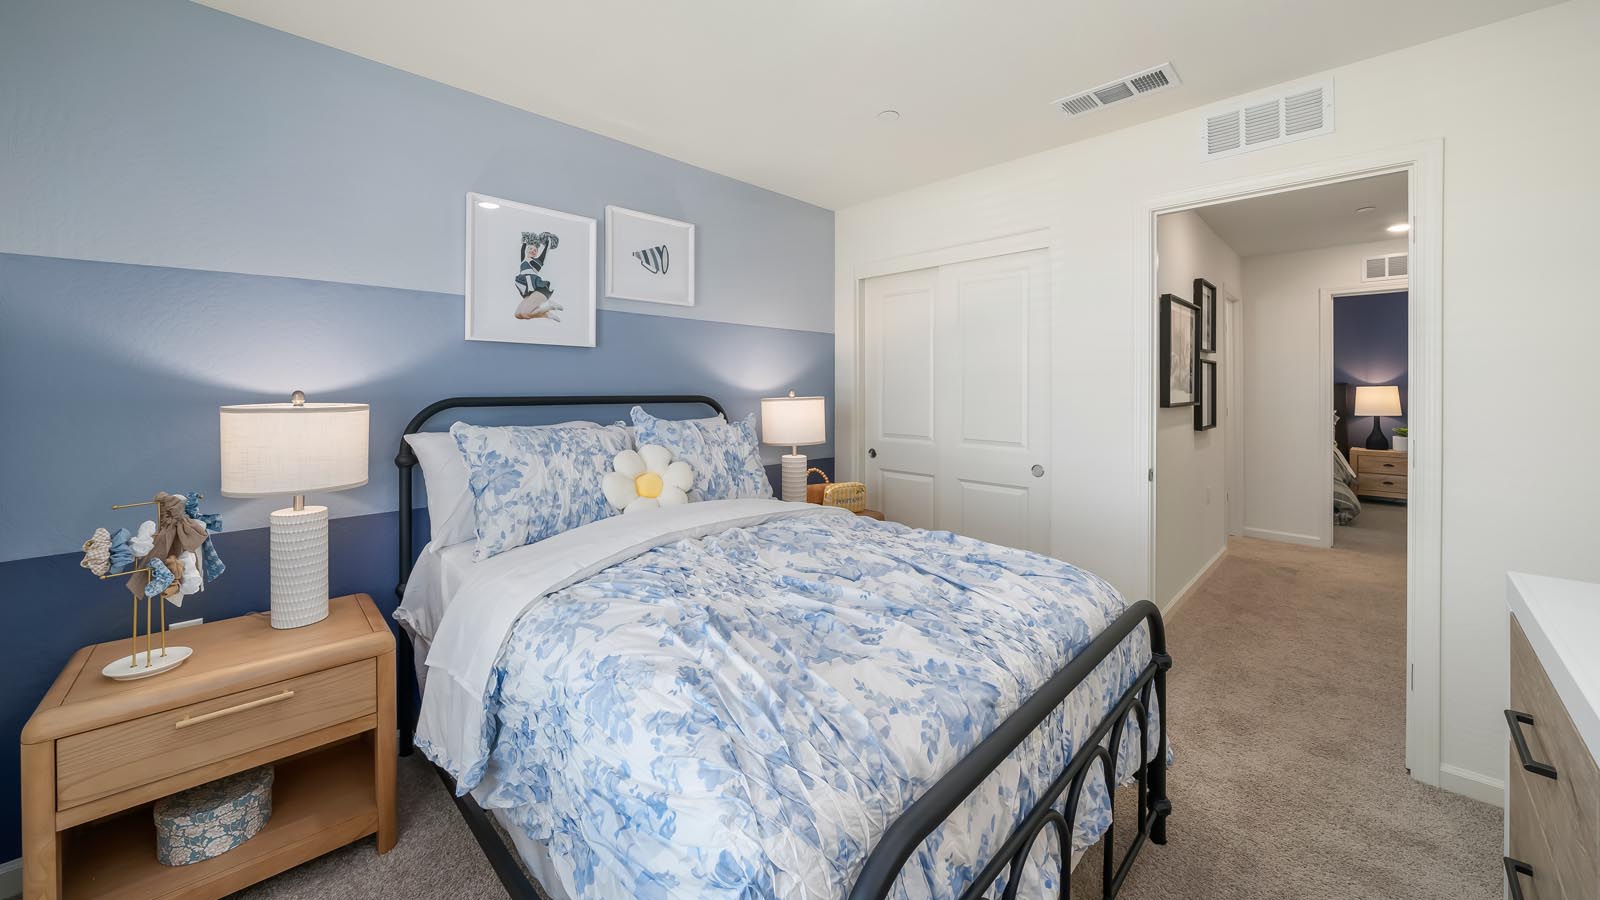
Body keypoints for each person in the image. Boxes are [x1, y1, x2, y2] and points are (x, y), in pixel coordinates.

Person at [514, 231, 565, 321]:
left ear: (537, 253)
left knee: (526, 313)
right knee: (518, 314)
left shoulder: (538, 261)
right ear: (527, 250)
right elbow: (523, 248)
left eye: (535, 250)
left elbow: (545, 251)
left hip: (539, 288)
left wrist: (548, 240)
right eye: (530, 249)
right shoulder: (523, 259)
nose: (533, 251)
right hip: (528, 290)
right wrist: (525, 241)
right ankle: (546, 314)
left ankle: (550, 306)